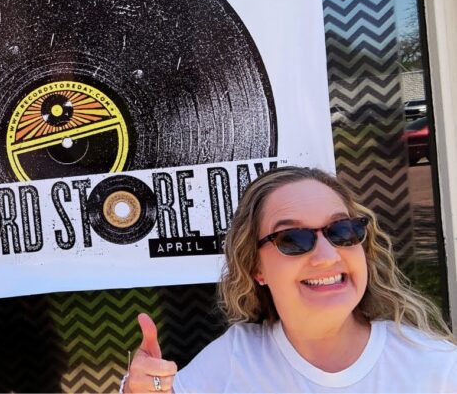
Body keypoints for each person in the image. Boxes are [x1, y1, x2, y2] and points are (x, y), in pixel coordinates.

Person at [123, 166, 457, 393]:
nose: (327, 256)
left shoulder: (437, 369)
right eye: (292, 239)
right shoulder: (234, 359)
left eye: (342, 231)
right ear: (257, 268)